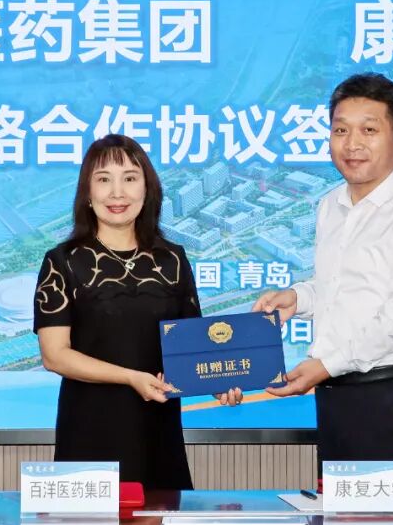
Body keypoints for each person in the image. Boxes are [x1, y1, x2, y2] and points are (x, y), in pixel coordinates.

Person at [252, 73, 393, 489]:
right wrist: (298, 297)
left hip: (392, 400)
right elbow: (339, 286)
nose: (352, 144)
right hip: (336, 399)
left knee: (390, 519)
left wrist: (325, 365)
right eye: (341, 130)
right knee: (338, 515)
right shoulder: (331, 204)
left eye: (369, 130)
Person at [34, 134, 239, 490]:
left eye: (129, 178)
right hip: (89, 431)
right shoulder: (62, 261)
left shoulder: (173, 259)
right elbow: (55, 356)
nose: (117, 193)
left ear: (147, 189)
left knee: (160, 510)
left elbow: (192, 348)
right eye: (104, 179)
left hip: (157, 430)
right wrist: (130, 377)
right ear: (87, 192)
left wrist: (218, 382)